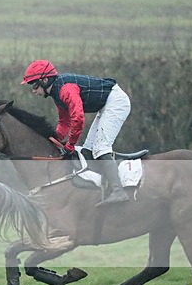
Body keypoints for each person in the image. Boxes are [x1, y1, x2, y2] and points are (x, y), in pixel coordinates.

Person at [21, 60, 130, 206]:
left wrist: (71, 145)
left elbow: (78, 119)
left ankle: (119, 191)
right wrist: (55, 140)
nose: (33, 90)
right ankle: (105, 188)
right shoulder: (56, 93)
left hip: (116, 102)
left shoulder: (65, 90)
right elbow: (65, 122)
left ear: (45, 80)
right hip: (105, 105)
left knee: (101, 148)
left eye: (34, 85)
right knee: (88, 150)